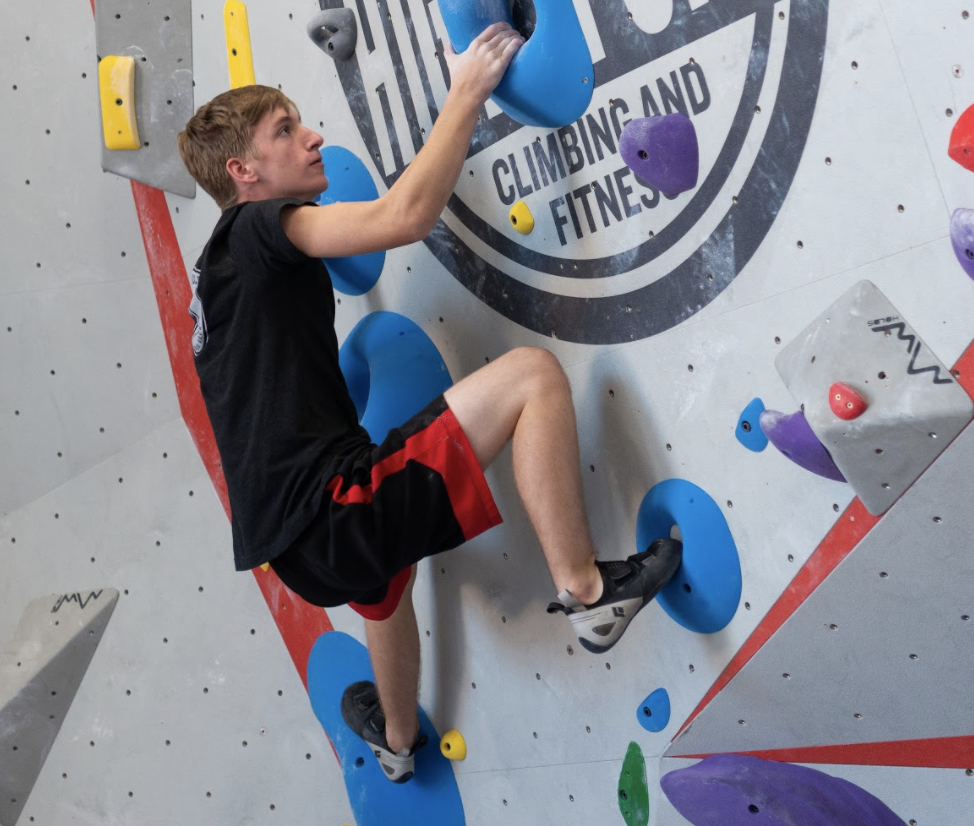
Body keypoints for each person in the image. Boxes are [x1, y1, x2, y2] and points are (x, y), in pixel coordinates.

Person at [178, 22, 682, 784]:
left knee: (386, 586)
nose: (313, 137)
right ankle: (589, 592)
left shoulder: (213, 272)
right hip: (333, 512)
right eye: (286, 130)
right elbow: (404, 216)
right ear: (243, 172)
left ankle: (397, 741)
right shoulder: (256, 229)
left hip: (296, 550)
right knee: (533, 377)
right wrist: (467, 91)